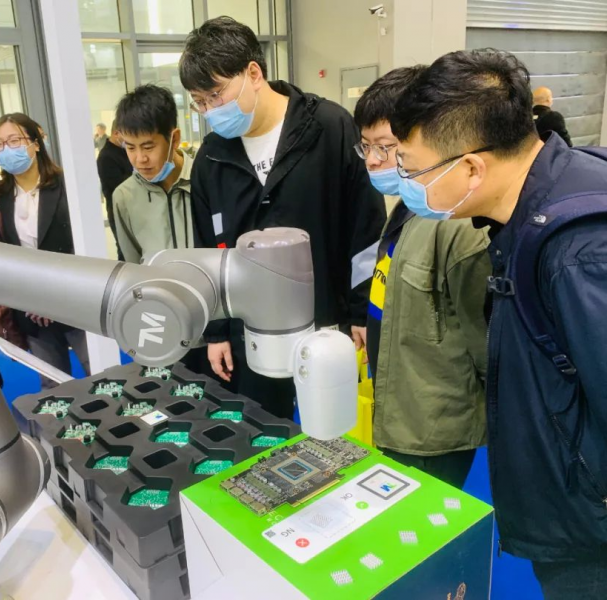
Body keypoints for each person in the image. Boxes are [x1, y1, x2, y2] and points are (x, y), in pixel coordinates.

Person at [391, 49, 607, 599]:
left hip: (589, 532)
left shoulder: (576, 252)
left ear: (471, 167)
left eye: (413, 169)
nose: (406, 183)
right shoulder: (539, 202)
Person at [179, 17, 386, 418]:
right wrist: (216, 333)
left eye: (216, 95)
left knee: (331, 432)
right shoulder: (212, 158)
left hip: (326, 325)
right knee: (261, 435)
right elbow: (208, 252)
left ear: (253, 73)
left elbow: (365, 226)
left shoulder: (328, 128)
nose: (209, 111)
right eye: (199, 102)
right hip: (252, 334)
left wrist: (362, 312)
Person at [353, 67, 491, 489]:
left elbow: (487, 348)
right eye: (365, 146)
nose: (373, 160)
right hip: (395, 405)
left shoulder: (458, 225)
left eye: (385, 147)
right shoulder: (409, 205)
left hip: (432, 429)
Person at [0, 113, 91, 388]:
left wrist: (53, 298)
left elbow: (78, 247)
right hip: (30, 309)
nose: (7, 149)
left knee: (102, 375)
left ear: (35, 143)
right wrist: (30, 298)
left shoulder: (66, 186)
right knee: (54, 386)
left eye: (14, 140)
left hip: (75, 300)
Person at [113, 85, 194, 263]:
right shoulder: (124, 196)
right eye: (130, 148)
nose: (140, 159)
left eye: (148, 147)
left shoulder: (204, 179)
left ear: (174, 139)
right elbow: (133, 264)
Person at [96, 119, 132, 260]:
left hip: (133, 208)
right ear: (117, 133)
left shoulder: (125, 150)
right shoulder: (106, 157)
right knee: (126, 252)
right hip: (120, 212)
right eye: (128, 135)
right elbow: (118, 187)